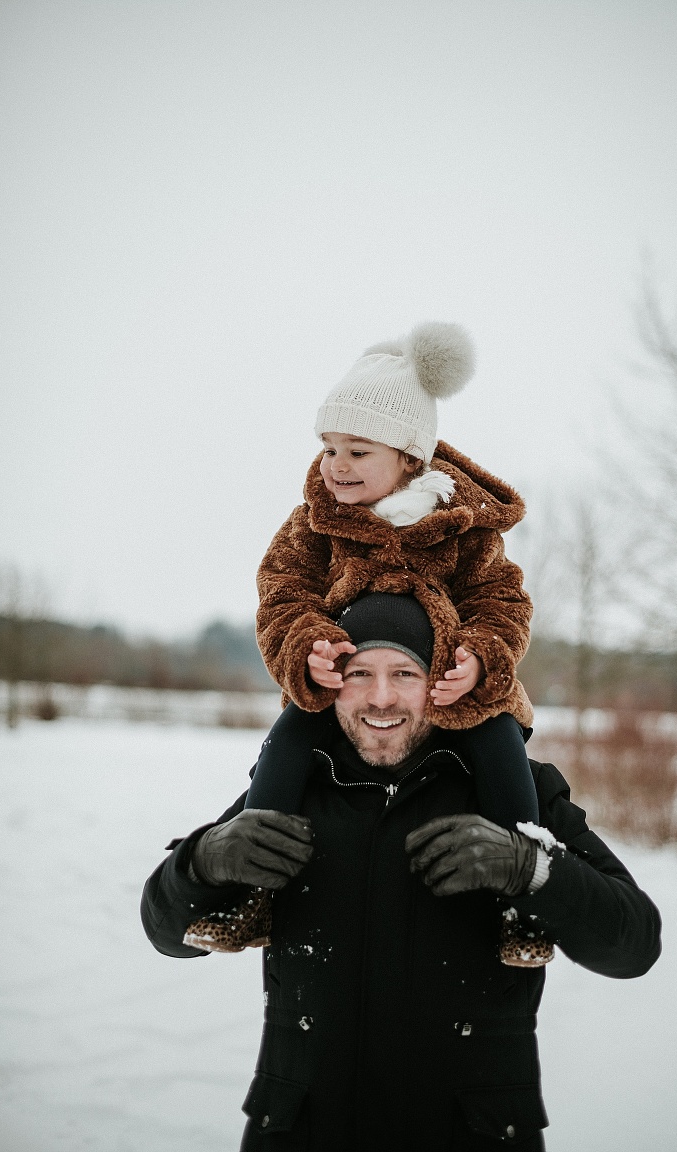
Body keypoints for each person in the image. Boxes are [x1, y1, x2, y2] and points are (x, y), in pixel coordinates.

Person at [141, 593, 662, 1152]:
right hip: (304, 1131)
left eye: (404, 673)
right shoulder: (291, 792)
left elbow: (634, 945)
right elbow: (165, 933)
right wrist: (202, 861)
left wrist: (531, 868)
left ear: (439, 681)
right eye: (358, 672)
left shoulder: (519, 797)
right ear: (328, 682)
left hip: (471, 1134)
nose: (381, 696)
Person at [249, 322, 542, 963]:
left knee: (498, 745)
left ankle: (522, 899)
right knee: (289, 740)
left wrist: (480, 659)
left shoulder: (462, 529)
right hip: (345, 692)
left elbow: (502, 601)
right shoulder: (314, 526)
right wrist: (309, 647)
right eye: (329, 448)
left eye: (358, 451)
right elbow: (282, 594)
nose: (336, 466)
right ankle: (254, 892)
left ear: (410, 457)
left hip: (449, 689)